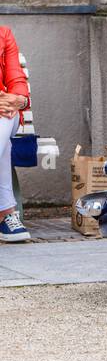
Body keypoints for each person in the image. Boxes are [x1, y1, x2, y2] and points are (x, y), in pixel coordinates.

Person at [0, 26, 32, 243]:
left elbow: (16, 78)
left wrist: (20, 100)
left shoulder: (4, 34)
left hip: (5, 112)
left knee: (5, 118)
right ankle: (6, 214)